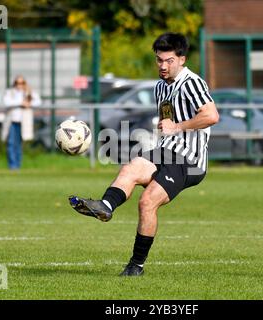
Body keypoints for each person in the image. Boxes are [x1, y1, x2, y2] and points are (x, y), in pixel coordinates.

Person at [68, 33, 219, 276]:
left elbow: (211, 115)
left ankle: (136, 265)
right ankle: (105, 206)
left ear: (182, 59)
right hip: (167, 152)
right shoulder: (161, 86)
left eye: (168, 60)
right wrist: (166, 123)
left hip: (189, 161)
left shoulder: (193, 83)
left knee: (146, 202)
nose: (162, 65)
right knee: (131, 168)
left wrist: (177, 127)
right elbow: (167, 117)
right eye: (159, 60)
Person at [2, 76, 41, 170]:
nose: (20, 85)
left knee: (19, 145)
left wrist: (29, 103)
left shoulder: (28, 92)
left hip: (23, 123)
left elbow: (38, 102)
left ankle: (17, 166)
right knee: (11, 144)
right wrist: (20, 103)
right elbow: (6, 102)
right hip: (12, 122)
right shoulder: (10, 92)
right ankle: (12, 166)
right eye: (17, 83)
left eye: (22, 83)